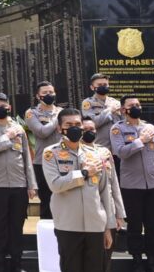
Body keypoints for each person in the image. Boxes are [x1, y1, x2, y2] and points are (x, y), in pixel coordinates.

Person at [44, 108, 115, 272]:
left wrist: (108, 228)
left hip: (96, 224)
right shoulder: (51, 153)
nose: (74, 128)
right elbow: (55, 184)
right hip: (68, 225)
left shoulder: (95, 154)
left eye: (77, 124)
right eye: (69, 124)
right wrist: (83, 173)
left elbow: (105, 191)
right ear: (59, 128)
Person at [0, 93, 37, 271]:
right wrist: (7, 137)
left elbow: (27, 157)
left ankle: (16, 260)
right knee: (0, 223)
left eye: (3, 105)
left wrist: (31, 184)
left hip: (19, 184)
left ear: (9, 107)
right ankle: (1, 259)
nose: (0, 108)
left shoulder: (18, 127)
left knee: (17, 224)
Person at [111, 95, 154, 272]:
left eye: (138, 104)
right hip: (131, 185)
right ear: (123, 110)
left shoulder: (151, 128)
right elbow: (121, 152)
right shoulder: (117, 129)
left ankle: (153, 258)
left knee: (153, 224)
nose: (136, 107)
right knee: (135, 225)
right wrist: (140, 141)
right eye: (131, 105)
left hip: (152, 184)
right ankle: (136, 258)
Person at [82, 117, 125, 272]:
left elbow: (114, 185)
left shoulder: (104, 151)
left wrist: (119, 213)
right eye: (85, 130)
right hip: (89, 210)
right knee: (90, 259)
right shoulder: (76, 152)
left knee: (107, 256)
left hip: (109, 210)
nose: (89, 132)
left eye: (92, 129)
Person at [25, 81, 61, 219]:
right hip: (42, 161)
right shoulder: (31, 113)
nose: (48, 95)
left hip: (62, 159)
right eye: (45, 93)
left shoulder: (61, 111)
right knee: (46, 201)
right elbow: (42, 132)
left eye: (51, 92)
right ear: (38, 96)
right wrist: (58, 120)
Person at [80, 73, 121, 149]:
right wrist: (110, 110)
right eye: (99, 85)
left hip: (117, 146)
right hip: (99, 147)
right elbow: (93, 123)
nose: (103, 86)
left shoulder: (116, 102)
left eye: (105, 84)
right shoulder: (88, 103)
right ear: (92, 87)